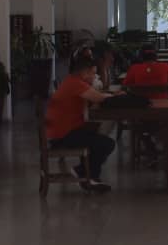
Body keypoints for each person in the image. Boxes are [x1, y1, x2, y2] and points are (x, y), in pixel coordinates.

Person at [44, 56, 116, 192]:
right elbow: (98, 98)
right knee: (106, 143)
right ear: (84, 72)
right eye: (93, 73)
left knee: (95, 136)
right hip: (63, 135)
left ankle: (85, 173)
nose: (94, 77)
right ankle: (87, 175)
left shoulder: (70, 81)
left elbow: (93, 97)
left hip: (62, 132)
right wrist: (115, 96)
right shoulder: (76, 84)